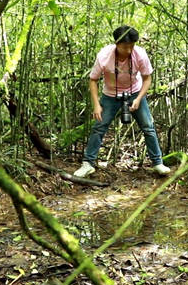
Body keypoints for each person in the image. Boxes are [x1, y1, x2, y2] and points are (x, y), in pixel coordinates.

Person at [73, 26, 171, 177]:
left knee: (148, 127)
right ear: (117, 44)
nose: (129, 50)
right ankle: (88, 164)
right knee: (99, 127)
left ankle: (158, 163)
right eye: (125, 47)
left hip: (135, 92)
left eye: (132, 46)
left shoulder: (140, 54)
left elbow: (147, 78)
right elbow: (93, 80)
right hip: (110, 95)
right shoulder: (104, 56)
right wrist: (96, 105)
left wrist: (138, 99)